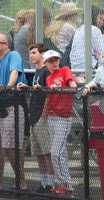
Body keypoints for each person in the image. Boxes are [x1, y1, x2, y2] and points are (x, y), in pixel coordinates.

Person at [17, 43, 55, 193]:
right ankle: (44, 182)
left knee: (46, 152)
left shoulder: (46, 71)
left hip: (41, 117)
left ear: (42, 54)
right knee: (39, 153)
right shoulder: (37, 72)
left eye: (34, 52)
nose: (31, 55)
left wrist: (44, 113)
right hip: (33, 117)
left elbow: (48, 93)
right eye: (30, 53)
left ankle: (51, 183)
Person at [42, 50, 77, 194]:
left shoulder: (64, 70)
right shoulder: (49, 78)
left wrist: (73, 85)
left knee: (55, 153)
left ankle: (61, 182)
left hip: (63, 118)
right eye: (50, 61)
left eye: (56, 59)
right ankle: (67, 185)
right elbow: (49, 97)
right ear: (46, 63)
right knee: (60, 153)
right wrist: (45, 111)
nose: (54, 63)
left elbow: (72, 84)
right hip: (52, 116)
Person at [0, 32, 26, 190]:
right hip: (0, 106)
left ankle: (21, 182)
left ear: (6, 44)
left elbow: (14, 73)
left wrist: (8, 87)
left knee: (10, 147)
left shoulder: (13, 55)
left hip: (12, 105)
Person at [70, 6, 104, 80]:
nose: (101, 22)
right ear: (93, 16)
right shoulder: (94, 30)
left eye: (103, 20)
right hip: (91, 69)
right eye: (100, 18)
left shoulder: (79, 29)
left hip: (75, 69)